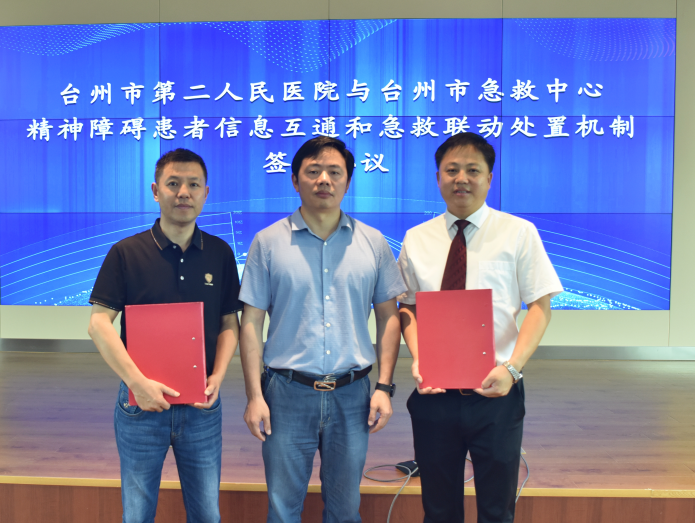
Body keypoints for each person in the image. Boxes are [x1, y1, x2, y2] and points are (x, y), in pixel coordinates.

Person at [397, 132, 563, 523]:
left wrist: (513, 369)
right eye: (451, 170)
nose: (461, 179)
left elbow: (540, 308)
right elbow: (407, 307)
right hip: (435, 393)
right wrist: (421, 358)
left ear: (489, 178)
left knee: (496, 509)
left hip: (496, 392)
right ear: (437, 177)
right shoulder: (416, 239)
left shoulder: (518, 232)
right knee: (439, 509)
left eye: (473, 170)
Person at [238, 136, 406, 523]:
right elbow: (251, 323)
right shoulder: (267, 243)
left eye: (334, 172)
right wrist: (253, 396)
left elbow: (389, 316)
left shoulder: (373, 243)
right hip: (286, 393)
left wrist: (383, 387)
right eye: (313, 171)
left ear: (348, 180)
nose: (324, 180)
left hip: (353, 394)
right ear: (295, 180)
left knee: (345, 510)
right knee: (282, 510)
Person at [87, 148, 242, 523]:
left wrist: (219, 376)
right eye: (173, 184)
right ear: (156, 191)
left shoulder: (220, 253)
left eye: (193, 185)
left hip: (202, 407)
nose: (183, 192)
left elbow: (229, 323)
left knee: (207, 513)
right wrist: (137, 383)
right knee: (137, 514)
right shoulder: (126, 253)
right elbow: (99, 324)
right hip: (140, 407)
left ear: (206, 193)